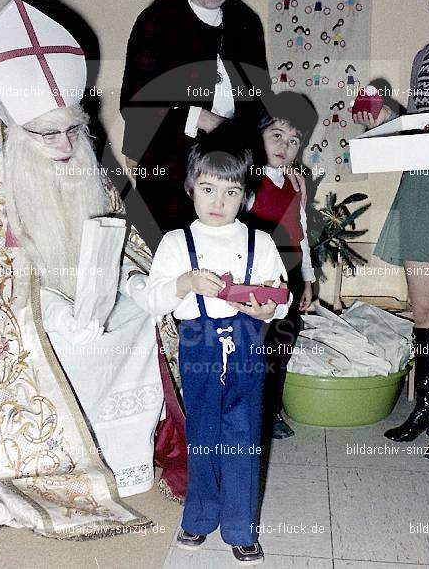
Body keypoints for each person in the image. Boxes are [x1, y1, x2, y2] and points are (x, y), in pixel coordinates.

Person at [0, 0, 186, 539]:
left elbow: (124, 245)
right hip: (24, 318)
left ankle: (123, 460)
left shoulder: (85, 159)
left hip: (90, 304)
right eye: (47, 135)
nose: (64, 145)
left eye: (71, 130)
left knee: (142, 323)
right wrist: (54, 310)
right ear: (17, 131)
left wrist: (138, 284)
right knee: (61, 341)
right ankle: (58, 467)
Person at [143, 141, 291, 564]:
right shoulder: (176, 242)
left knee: (243, 433)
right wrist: (185, 284)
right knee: (203, 432)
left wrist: (270, 307)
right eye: (208, 189)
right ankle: (199, 516)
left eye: (231, 192)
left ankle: (241, 528)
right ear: (191, 188)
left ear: (244, 196)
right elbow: (153, 301)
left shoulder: (259, 240)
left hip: (245, 340)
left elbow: (280, 294)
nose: (219, 201)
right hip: (197, 343)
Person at [119, 0, 270, 246]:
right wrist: (199, 118)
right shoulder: (157, 21)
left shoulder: (246, 23)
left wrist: (275, 159)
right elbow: (134, 102)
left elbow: (259, 103)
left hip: (232, 177)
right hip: (171, 176)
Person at [353, 0, 429, 462]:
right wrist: (389, 112)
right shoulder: (423, 58)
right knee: (424, 310)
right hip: (422, 189)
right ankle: (427, 409)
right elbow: (422, 122)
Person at [246, 92, 317, 439]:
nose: (284, 146)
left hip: (289, 272)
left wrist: (308, 278)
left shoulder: (294, 182)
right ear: (258, 134)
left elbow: (301, 231)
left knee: (281, 346)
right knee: (254, 346)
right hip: (258, 273)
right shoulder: (246, 179)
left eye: (293, 141)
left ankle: (271, 410)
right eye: (277, 135)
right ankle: (249, 411)